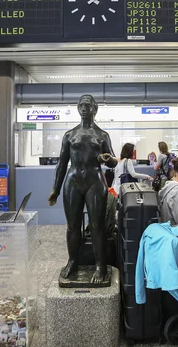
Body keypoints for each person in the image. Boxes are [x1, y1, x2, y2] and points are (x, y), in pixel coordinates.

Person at [48, 94, 117, 284]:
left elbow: (113, 161)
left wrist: (106, 158)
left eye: (88, 105)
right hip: (73, 181)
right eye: (81, 105)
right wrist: (56, 189)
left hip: (95, 182)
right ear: (78, 109)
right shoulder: (69, 135)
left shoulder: (102, 135)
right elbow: (61, 164)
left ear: (95, 109)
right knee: (72, 226)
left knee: (97, 226)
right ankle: (73, 262)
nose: (84, 108)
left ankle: (100, 265)